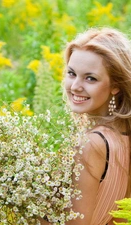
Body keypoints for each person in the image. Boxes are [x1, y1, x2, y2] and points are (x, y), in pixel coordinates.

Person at [40, 27, 131, 225]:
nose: (75, 87)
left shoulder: (91, 144)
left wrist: (24, 207)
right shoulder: (124, 137)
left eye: (90, 78)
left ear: (115, 85)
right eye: (72, 74)